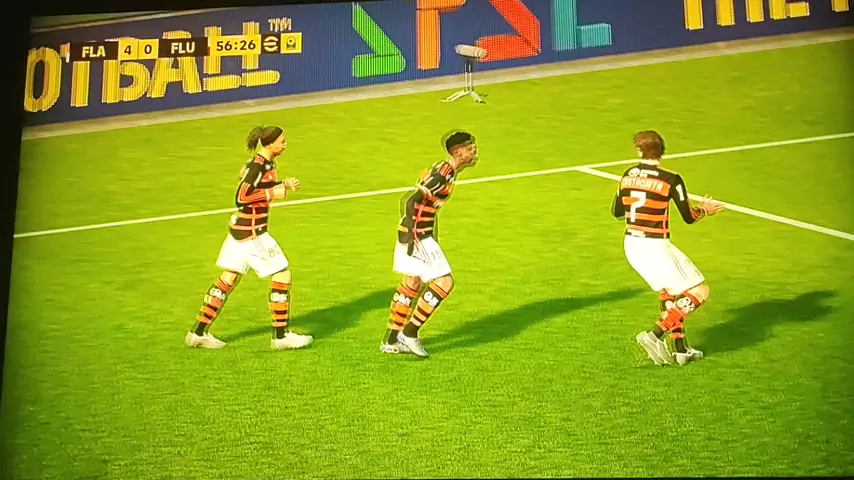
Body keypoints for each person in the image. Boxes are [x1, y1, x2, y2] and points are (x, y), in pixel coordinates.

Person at [185, 125, 313, 351]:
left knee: (229, 278)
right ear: (269, 143)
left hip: (239, 230)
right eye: (282, 141)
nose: (285, 144)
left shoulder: (266, 163)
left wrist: (282, 185)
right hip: (253, 232)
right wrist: (271, 193)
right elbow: (242, 196)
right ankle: (281, 337)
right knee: (282, 274)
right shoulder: (257, 166)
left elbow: (258, 186)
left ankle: (198, 333)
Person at [612, 131, 725, 366]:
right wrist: (705, 210)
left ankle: (681, 349)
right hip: (655, 244)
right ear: (662, 151)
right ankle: (655, 334)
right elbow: (689, 216)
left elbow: (617, 212)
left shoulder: (627, 175)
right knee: (700, 291)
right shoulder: (671, 180)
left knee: (669, 291)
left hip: (631, 244)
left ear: (639, 151)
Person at [381, 131, 480, 358]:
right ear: (458, 152)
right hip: (417, 235)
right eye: (470, 148)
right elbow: (410, 201)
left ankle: (392, 341)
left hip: (418, 233)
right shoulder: (442, 174)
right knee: (445, 282)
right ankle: (410, 333)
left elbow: (426, 205)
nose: (474, 151)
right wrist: (412, 235)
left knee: (413, 282)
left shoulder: (446, 171)